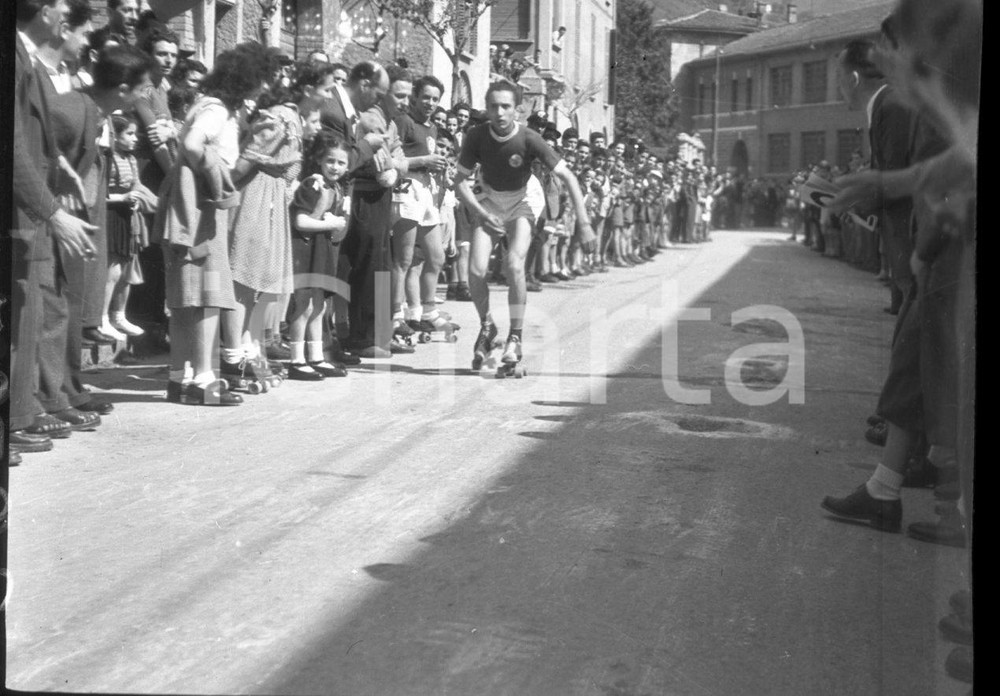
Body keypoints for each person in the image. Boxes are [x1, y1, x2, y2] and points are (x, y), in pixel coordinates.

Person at [152, 43, 274, 406]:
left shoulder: (210, 105)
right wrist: (214, 171)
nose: (264, 88)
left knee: (188, 298)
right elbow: (192, 143)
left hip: (191, 214)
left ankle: (180, 379)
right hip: (201, 215)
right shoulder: (217, 110)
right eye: (260, 80)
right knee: (207, 296)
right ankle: (203, 380)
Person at [454, 81, 595, 370]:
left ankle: (515, 337)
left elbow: (568, 177)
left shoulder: (529, 138)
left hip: (523, 200)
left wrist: (584, 222)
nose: (499, 112)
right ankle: (487, 327)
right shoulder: (476, 136)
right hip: (490, 201)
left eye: (506, 106)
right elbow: (459, 182)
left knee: (515, 265)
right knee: (476, 270)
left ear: (517, 109)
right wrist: (481, 213)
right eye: (493, 106)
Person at [221, 78, 302, 392]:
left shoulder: (283, 116)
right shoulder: (281, 116)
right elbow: (255, 160)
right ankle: (237, 354)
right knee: (244, 280)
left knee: (251, 281)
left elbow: (262, 159)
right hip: (258, 193)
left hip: (263, 193)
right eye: (324, 89)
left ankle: (245, 350)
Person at [393, 74, 455, 338]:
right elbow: (395, 158)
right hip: (407, 189)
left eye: (435, 99)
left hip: (427, 191)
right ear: (415, 97)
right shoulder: (405, 122)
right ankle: (397, 316)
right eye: (426, 97)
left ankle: (427, 311)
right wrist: (424, 160)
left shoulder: (431, 128)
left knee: (436, 255)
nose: (430, 103)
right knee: (404, 259)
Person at [287, 132, 351, 380]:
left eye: (341, 162)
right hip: (305, 252)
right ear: (320, 161)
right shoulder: (313, 185)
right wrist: (330, 224)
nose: (335, 167)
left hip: (322, 253)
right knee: (303, 306)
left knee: (319, 306)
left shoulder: (335, 187)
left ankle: (315, 357)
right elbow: (300, 220)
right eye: (330, 161)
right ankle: (296, 359)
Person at [104, 113, 157, 339]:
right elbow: (101, 194)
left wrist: (149, 202)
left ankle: (119, 315)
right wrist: (123, 199)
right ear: (115, 136)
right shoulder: (108, 158)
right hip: (112, 216)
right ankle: (102, 317)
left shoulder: (132, 159)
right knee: (113, 271)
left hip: (129, 216)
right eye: (130, 133)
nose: (135, 139)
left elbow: (137, 186)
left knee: (127, 270)